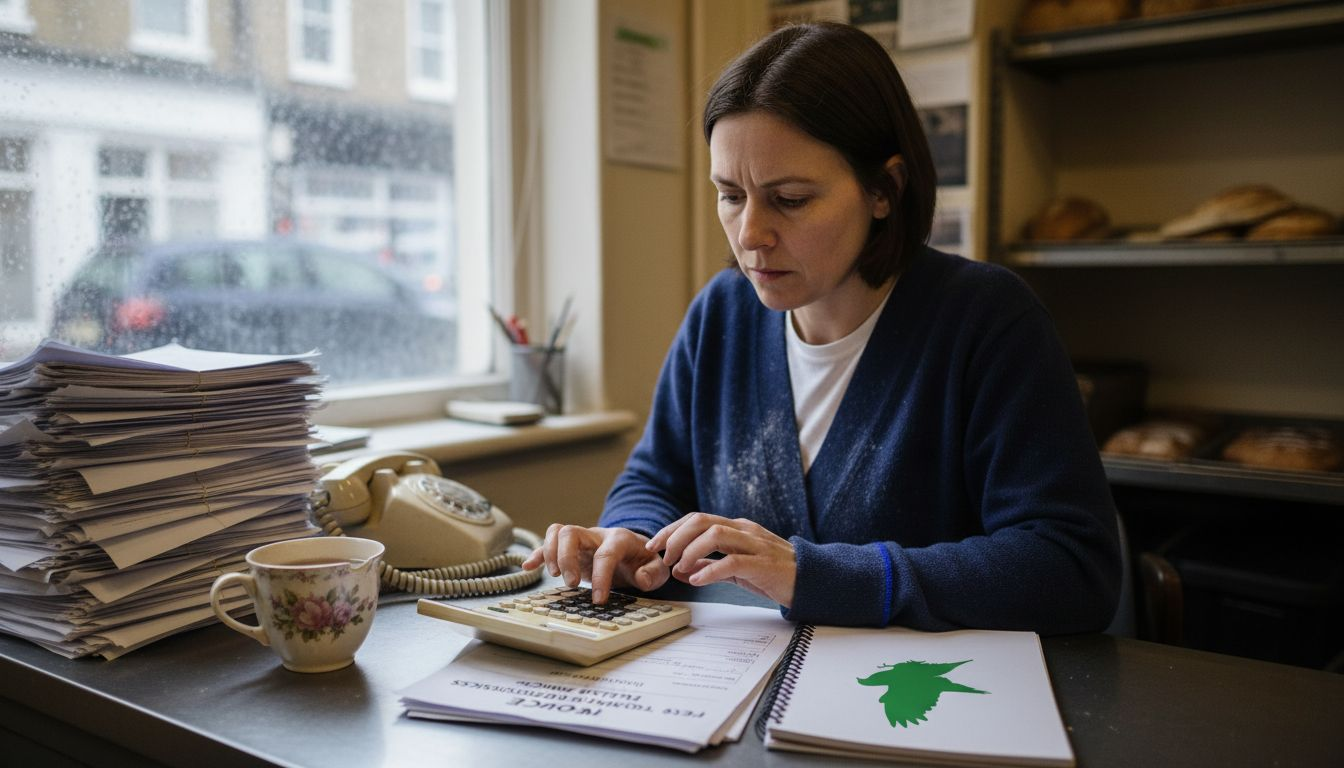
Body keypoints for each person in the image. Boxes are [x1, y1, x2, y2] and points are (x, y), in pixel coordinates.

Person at [522, 22, 1121, 633]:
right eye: (731, 195)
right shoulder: (721, 314)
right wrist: (634, 539)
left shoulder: (988, 321)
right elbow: (655, 477)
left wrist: (814, 574)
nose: (750, 234)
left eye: (791, 198)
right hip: (733, 697)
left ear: (884, 190)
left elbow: (1071, 568)